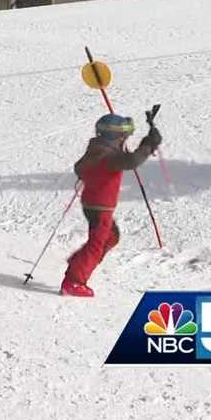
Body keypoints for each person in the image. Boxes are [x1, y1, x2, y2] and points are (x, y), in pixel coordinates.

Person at [61, 113, 161, 298]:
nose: (124, 140)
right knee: (97, 244)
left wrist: (147, 142)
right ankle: (73, 282)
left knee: (111, 237)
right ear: (114, 137)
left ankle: (79, 263)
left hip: (95, 203)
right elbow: (131, 161)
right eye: (123, 137)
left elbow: (81, 167)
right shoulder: (107, 155)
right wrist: (148, 145)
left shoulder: (98, 149)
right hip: (100, 206)